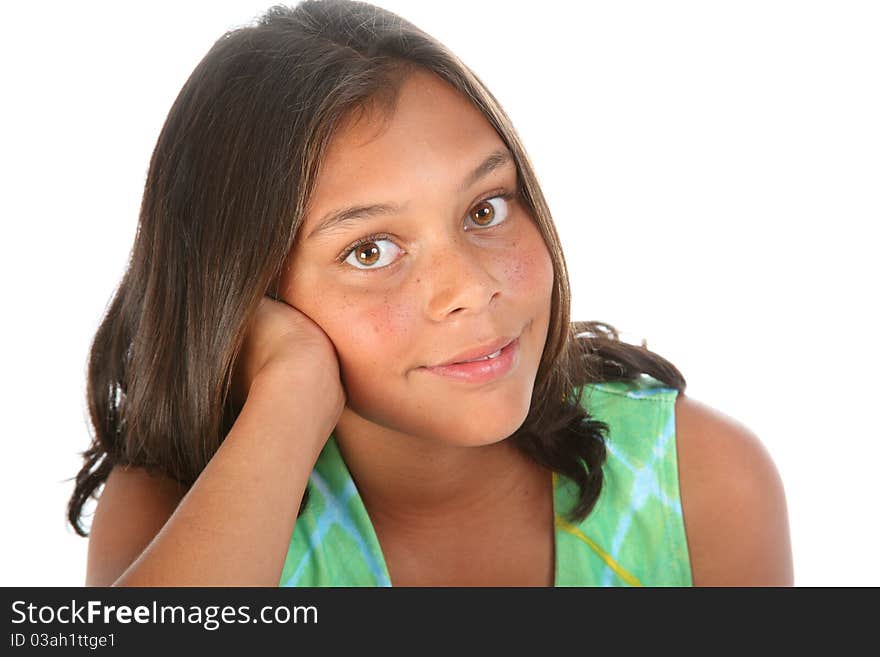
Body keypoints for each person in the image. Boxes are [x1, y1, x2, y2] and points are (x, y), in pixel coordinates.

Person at [68, 0, 793, 587]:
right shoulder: (171, 514)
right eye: (370, 250)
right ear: (248, 297)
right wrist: (290, 387)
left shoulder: (704, 485)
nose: (471, 290)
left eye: (485, 209)